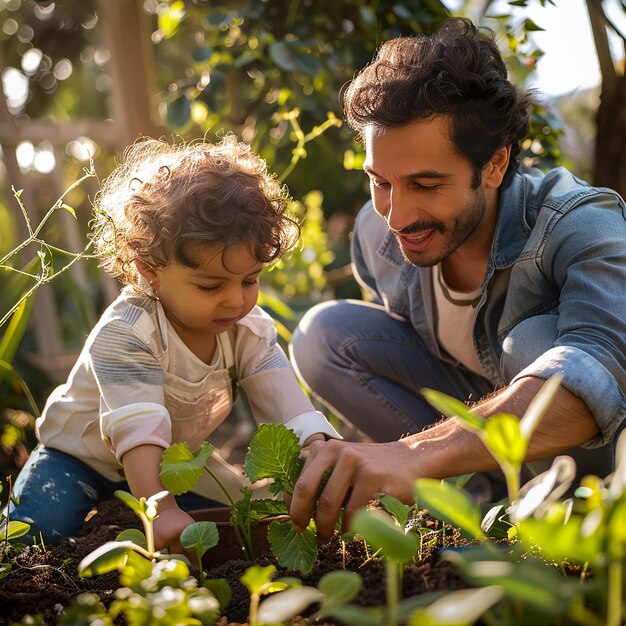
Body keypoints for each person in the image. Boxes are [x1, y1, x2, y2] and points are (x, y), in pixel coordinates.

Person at [288, 17, 626, 542]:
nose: (397, 216)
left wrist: (409, 454)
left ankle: (562, 525)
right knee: (325, 335)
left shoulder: (581, 222)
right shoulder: (377, 232)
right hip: (486, 440)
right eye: (381, 181)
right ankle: (477, 507)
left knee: (533, 344)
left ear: (493, 164)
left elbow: (596, 380)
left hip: (597, 469)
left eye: (425, 184)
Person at [7, 136, 339, 553]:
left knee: (247, 514)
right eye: (210, 285)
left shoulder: (246, 329)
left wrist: (319, 448)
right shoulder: (130, 331)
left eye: (249, 280)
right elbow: (138, 430)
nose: (236, 299)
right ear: (152, 270)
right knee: (38, 533)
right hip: (79, 459)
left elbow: (287, 402)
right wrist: (160, 509)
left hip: (171, 464)